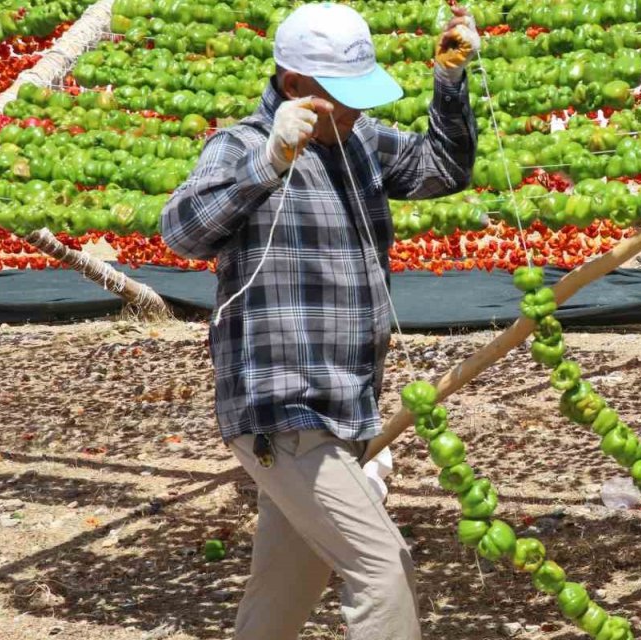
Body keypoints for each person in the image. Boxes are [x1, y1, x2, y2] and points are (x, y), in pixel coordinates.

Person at [160, 2, 479, 638]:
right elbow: (182, 232)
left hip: (346, 403)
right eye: (344, 97)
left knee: (287, 581)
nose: (359, 110)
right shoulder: (241, 147)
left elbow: (444, 170)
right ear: (296, 86)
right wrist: (271, 163)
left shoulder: (360, 141)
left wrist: (449, 80)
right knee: (382, 567)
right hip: (282, 410)